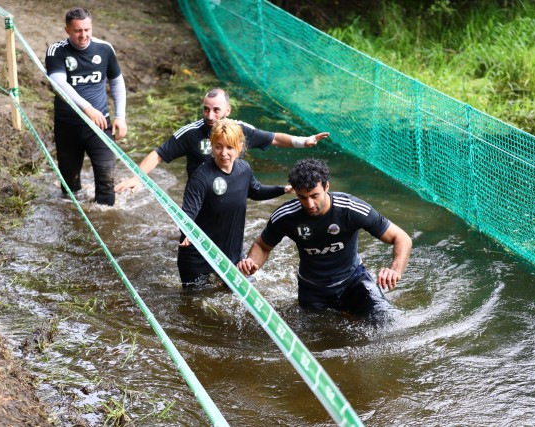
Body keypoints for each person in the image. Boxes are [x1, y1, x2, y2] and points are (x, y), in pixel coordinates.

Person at [237, 158, 412, 320]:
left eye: (315, 196)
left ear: (327, 186)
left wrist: (395, 271)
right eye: (302, 197)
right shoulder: (285, 216)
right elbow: (262, 245)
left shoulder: (351, 209)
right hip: (313, 290)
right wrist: (252, 263)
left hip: (353, 281)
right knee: (322, 338)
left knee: (386, 318)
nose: (310, 204)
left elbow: (402, 238)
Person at [114, 87, 329, 193]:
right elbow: (159, 153)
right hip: (200, 196)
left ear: (227, 110)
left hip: (230, 197)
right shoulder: (191, 132)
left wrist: (304, 140)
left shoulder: (240, 130)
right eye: (206, 109)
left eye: (216, 110)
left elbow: (274, 138)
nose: (210, 115)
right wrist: (137, 178)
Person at [178, 119, 293, 288]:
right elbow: (189, 211)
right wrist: (187, 231)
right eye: (218, 146)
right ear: (212, 146)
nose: (223, 153)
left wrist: (282, 189)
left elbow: (256, 191)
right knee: (196, 307)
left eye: (229, 147)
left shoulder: (244, 169)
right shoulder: (201, 176)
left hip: (229, 256)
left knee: (238, 298)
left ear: (239, 147)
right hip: (198, 256)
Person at [46, 7, 127, 205]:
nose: (84, 35)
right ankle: (73, 218)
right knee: (69, 187)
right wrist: (87, 108)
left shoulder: (104, 49)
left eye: (87, 29)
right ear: (67, 30)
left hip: (99, 125)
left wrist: (121, 116)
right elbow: (59, 85)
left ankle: (105, 223)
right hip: (68, 126)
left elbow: (116, 82)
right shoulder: (56, 51)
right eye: (78, 31)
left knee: (106, 181)